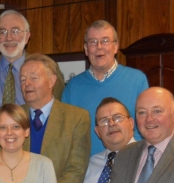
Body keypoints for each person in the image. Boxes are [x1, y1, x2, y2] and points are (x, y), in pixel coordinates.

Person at [20, 54, 90, 183]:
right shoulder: (12, 116)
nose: (27, 83)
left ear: (51, 81)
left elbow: (76, 170)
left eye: (34, 78)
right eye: (23, 79)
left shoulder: (76, 118)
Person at [61, 20, 149, 156]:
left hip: (130, 164)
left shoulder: (137, 80)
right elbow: (66, 135)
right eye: (93, 42)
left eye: (105, 41)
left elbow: (145, 126)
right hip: (88, 171)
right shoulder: (72, 87)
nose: (99, 47)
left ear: (115, 47)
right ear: (86, 49)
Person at [0, 10, 65, 117]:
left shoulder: (49, 69)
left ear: (27, 36)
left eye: (15, 31)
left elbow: (59, 111)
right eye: (3, 32)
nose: (9, 38)